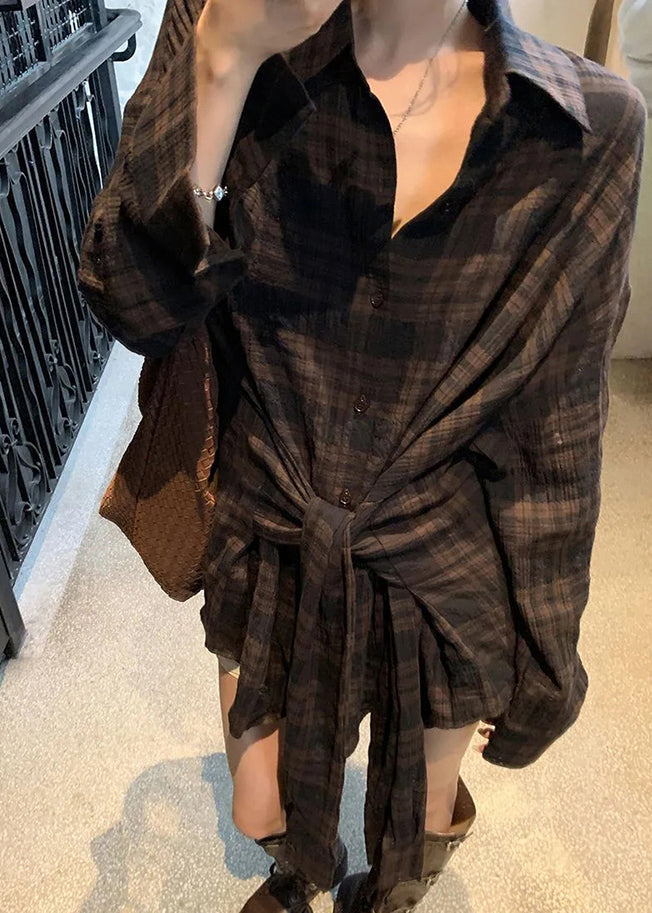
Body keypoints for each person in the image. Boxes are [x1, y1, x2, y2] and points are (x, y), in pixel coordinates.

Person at [77, 1, 647, 911]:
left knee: (411, 832)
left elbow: (558, 430)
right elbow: (131, 305)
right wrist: (226, 60)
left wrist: (548, 661)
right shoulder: (223, 25)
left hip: (441, 560)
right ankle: (297, 869)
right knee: (261, 804)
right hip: (270, 527)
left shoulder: (587, 129)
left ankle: (388, 893)